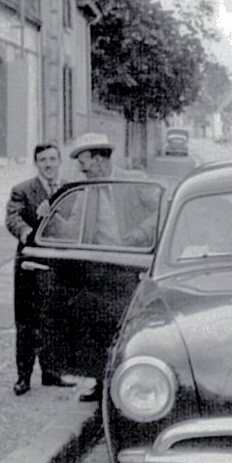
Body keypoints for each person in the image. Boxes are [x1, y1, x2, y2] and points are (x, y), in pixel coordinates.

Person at [66, 133, 161, 402]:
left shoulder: (134, 180)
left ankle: (130, 384)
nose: (81, 169)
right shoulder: (85, 191)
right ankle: (101, 384)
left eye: (84, 163)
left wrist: (141, 233)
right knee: (97, 327)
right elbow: (73, 228)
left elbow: (164, 209)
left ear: (98, 159)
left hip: (131, 267)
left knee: (129, 327)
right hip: (98, 267)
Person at [5, 143, 75, 396]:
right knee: (26, 322)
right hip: (30, 264)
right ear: (36, 163)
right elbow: (13, 218)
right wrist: (27, 233)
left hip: (58, 264)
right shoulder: (22, 190)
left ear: (59, 161)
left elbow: (76, 222)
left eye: (52, 159)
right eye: (43, 160)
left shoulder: (70, 190)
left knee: (55, 319)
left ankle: (52, 373)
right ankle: (23, 377)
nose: (48, 164)